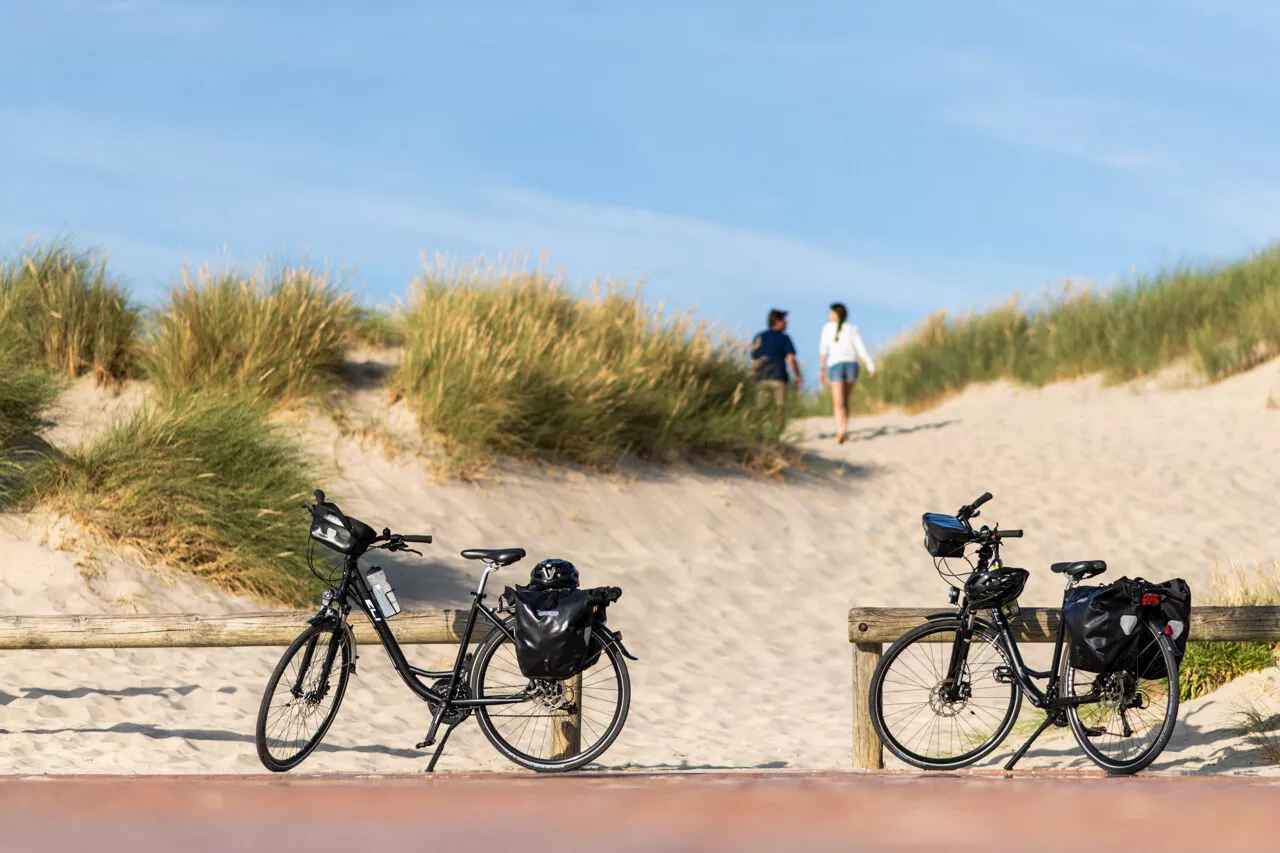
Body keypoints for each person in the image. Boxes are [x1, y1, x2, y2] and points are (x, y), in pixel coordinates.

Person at [818, 302, 875, 443]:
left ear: (836, 314)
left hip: (836, 365)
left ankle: (841, 430)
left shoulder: (828, 328)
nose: (829, 315)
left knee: (838, 401)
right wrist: (870, 366)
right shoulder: (852, 328)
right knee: (845, 400)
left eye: (831, 312)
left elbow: (823, 350)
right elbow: (860, 348)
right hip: (851, 365)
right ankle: (844, 429)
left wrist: (822, 369)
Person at [751, 308, 802, 412]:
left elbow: (754, 360)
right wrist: (797, 376)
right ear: (778, 322)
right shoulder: (784, 338)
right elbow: (791, 359)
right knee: (780, 409)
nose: (786, 323)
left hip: (761, 378)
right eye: (784, 320)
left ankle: (762, 427)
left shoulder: (759, 337)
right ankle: (778, 427)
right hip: (779, 377)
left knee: (761, 409)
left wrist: (753, 375)